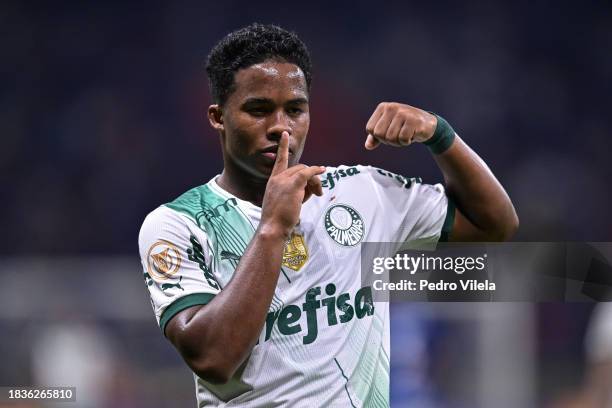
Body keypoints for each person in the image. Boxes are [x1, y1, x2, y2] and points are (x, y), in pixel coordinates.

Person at [138, 23, 518, 407]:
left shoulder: (361, 191)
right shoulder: (178, 224)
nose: (280, 128)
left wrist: (439, 134)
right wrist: (273, 226)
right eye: (258, 110)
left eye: (295, 110)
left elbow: (495, 223)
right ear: (218, 117)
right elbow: (212, 358)